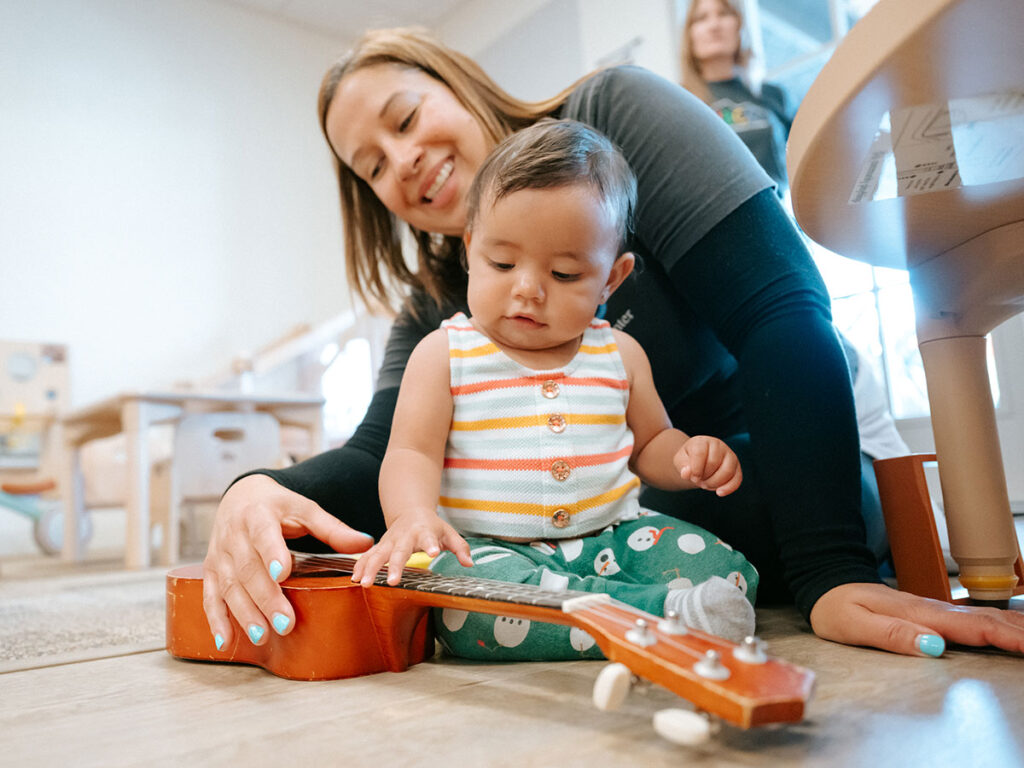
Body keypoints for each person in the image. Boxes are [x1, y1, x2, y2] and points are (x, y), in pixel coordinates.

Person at [202, 27, 1024, 659]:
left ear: (454, 82)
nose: (404, 162)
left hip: (789, 442)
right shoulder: (436, 310)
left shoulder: (617, 117)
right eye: (372, 166)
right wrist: (257, 488)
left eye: (407, 119)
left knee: (724, 503)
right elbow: (385, 453)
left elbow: (780, 306)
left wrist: (830, 571)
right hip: (634, 499)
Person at [351, 119, 759, 656]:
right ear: (470, 248)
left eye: (565, 274)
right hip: (490, 551)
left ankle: (617, 614)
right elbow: (410, 453)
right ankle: (656, 615)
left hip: (612, 542)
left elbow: (652, 444)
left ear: (610, 280)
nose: (527, 290)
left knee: (728, 571)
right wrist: (412, 516)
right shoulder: (445, 354)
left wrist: (689, 456)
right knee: (467, 599)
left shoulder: (619, 355)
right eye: (501, 263)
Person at [680, 0, 791, 192]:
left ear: (739, 25)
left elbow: (813, 158)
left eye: (724, 14)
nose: (714, 25)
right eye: (702, 18)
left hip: (779, 212)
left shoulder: (774, 96)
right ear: (690, 35)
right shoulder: (679, 103)